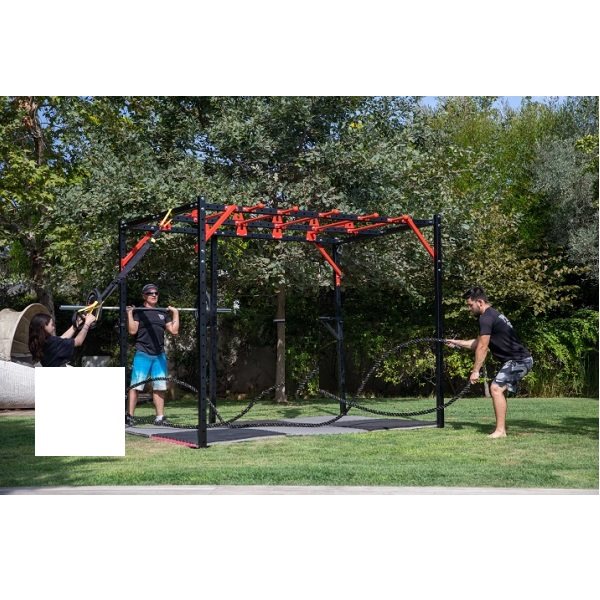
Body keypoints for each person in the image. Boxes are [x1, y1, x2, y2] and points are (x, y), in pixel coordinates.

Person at [447, 286, 533, 438]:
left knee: (495, 388)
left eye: (470, 305)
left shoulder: (485, 318)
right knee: (499, 390)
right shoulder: (492, 315)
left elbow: (482, 347)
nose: (469, 309)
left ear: (480, 302)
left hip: (519, 360)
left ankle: (500, 431)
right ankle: (502, 428)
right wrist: (457, 342)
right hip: (517, 360)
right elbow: (477, 343)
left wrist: (475, 371)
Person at [126, 283, 179, 426]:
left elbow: (174, 331)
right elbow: (132, 331)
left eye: (156, 293)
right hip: (143, 353)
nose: (154, 295)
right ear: (144, 296)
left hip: (159, 355)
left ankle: (160, 418)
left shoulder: (163, 313)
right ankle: (129, 416)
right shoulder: (139, 312)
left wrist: (175, 313)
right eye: (150, 293)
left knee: (160, 387)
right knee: (136, 386)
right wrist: (129, 313)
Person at [29, 312, 97, 367]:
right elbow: (78, 341)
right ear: (44, 326)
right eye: (52, 325)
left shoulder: (40, 342)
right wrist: (87, 323)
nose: (54, 327)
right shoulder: (52, 342)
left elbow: (62, 338)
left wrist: (76, 324)